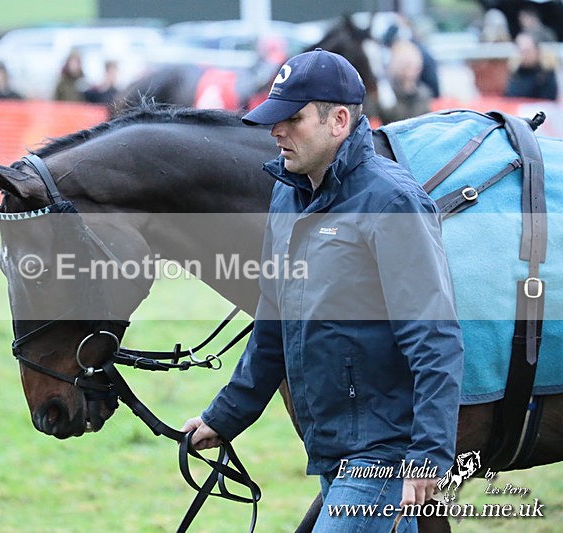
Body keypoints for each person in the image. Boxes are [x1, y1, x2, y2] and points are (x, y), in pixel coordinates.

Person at [182, 49, 463, 532]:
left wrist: (429, 457)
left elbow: (435, 339)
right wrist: (225, 417)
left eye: (292, 119)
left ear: (338, 121)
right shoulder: (288, 194)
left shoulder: (392, 202)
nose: (276, 131)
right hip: (331, 446)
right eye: (275, 119)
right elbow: (273, 321)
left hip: (385, 452)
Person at [376, 39, 433, 124]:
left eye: (414, 67)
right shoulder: (386, 92)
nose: (410, 72)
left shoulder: (424, 93)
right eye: (406, 66)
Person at [504, 32, 558, 101]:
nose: (525, 55)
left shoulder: (546, 73)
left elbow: (548, 99)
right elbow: (509, 96)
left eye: (527, 51)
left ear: (537, 50)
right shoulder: (515, 74)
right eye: (521, 51)